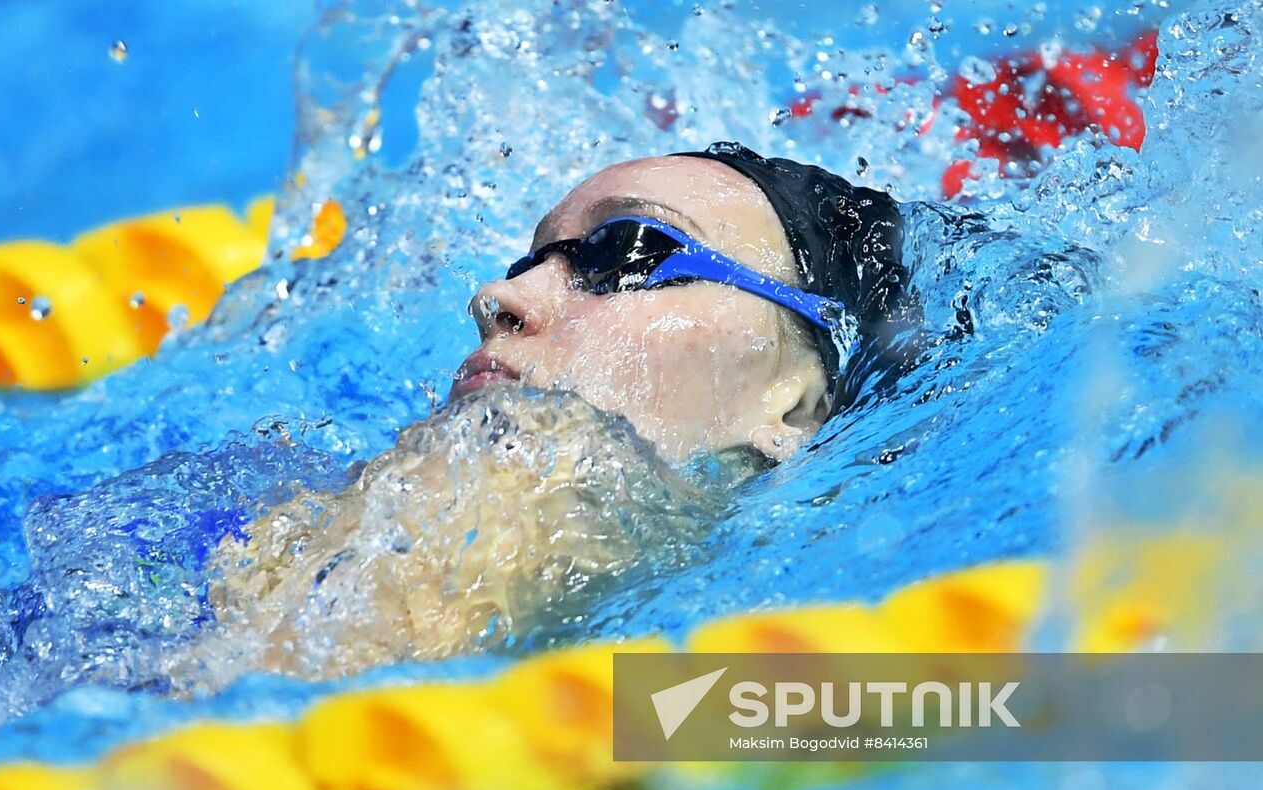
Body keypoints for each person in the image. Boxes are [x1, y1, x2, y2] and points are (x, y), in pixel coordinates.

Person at [177, 142, 916, 691]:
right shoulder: (255, 524)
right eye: (528, 261)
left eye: (626, 249)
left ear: (797, 405)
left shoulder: (788, 689)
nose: (497, 299)